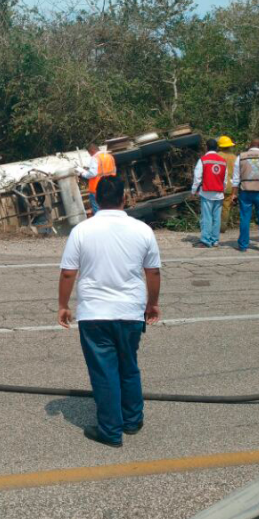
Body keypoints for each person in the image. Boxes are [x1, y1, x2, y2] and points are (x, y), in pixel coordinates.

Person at [57, 176, 161, 448]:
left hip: (95, 314)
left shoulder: (82, 230)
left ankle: (110, 431)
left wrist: (63, 305)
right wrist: (152, 303)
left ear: (96, 201)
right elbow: (153, 272)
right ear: (124, 198)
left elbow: (69, 273)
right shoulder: (142, 230)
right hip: (130, 312)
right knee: (128, 366)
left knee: (104, 372)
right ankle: (132, 420)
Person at [232, 138, 259, 253]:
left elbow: (235, 179)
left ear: (250, 145)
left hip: (246, 191)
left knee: (245, 218)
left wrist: (234, 194)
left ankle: (243, 246)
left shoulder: (241, 157)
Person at [192, 138, 227, 248]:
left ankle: (206, 240)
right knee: (217, 218)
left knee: (207, 218)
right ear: (217, 148)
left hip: (207, 193)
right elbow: (225, 180)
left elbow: (197, 177)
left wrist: (193, 191)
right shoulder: (222, 161)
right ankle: (215, 240)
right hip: (219, 194)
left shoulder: (203, 160)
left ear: (206, 147)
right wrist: (223, 190)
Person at [80, 142, 117, 215]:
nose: (90, 155)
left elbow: (92, 173)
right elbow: (114, 170)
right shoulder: (110, 156)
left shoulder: (95, 158)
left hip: (97, 189)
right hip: (110, 187)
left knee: (98, 212)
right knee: (111, 209)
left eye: (89, 153)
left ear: (92, 151)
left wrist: (83, 173)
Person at [217, 136, 238, 229]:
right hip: (230, 186)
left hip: (217, 185)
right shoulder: (235, 157)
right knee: (226, 207)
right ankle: (223, 227)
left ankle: (215, 226)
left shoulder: (217, 156)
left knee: (216, 206)